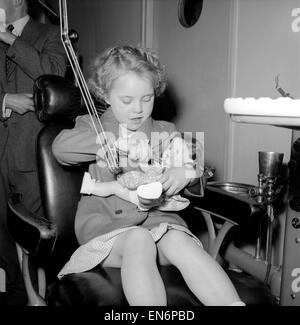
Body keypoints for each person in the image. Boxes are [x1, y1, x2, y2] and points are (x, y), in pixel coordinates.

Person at [52, 45, 245, 306]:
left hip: (159, 223)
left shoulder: (164, 131)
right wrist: (111, 142)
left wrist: (185, 171)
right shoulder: (91, 126)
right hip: (109, 230)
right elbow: (61, 148)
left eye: (146, 98)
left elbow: (194, 160)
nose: (138, 110)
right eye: (127, 100)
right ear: (105, 95)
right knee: (138, 239)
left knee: (181, 241)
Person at [0, 0, 67, 305]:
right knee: (2, 236)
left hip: (31, 157)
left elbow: (52, 72)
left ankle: (44, 296)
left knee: (34, 235)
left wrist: (8, 37)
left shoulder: (53, 34)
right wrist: (4, 100)